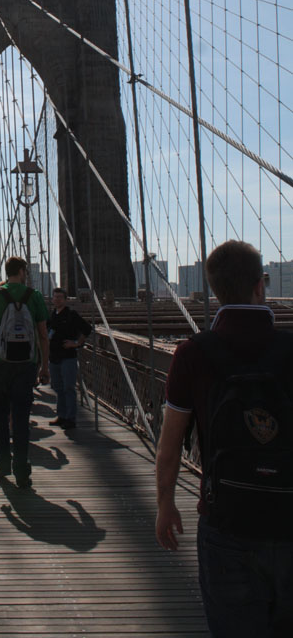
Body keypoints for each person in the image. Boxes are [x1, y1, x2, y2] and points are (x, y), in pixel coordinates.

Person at [155, 240, 293, 637]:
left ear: (213, 289)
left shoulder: (194, 353)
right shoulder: (290, 348)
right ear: (260, 285)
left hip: (226, 520)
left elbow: (169, 445)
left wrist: (165, 503)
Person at [0, 256, 49, 488]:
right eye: (25, 271)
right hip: (27, 365)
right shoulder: (35, 296)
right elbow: (42, 335)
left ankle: (2, 461)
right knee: (20, 417)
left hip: (0, 363)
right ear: (21, 271)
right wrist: (45, 366)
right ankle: (22, 469)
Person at [47, 287, 91, 428]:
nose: (57, 299)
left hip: (68, 357)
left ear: (65, 300)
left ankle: (70, 418)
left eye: (60, 297)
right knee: (58, 388)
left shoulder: (71, 315)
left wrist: (77, 343)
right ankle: (61, 415)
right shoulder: (52, 315)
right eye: (55, 297)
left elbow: (87, 329)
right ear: (52, 299)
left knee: (69, 388)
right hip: (54, 357)